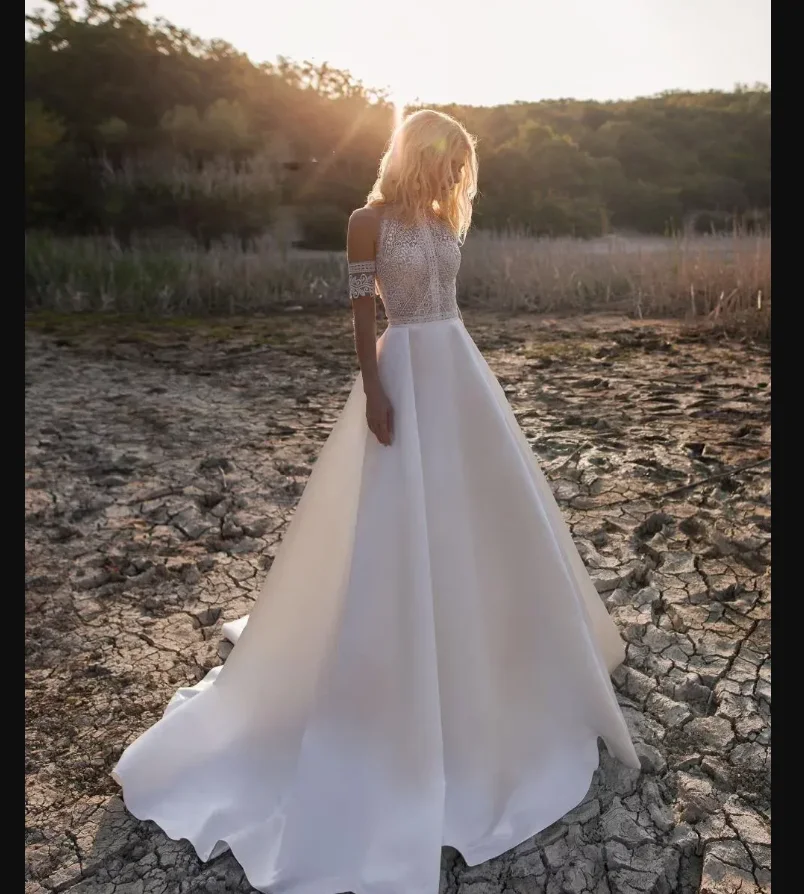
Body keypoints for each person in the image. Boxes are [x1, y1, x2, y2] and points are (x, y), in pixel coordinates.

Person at [113, 109, 640, 894]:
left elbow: (445, 298)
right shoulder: (368, 222)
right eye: (449, 159)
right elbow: (363, 314)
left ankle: (504, 654)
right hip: (405, 369)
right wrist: (374, 391)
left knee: (489, 517)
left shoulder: (441, 218)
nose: (456, 173)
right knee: (399, 523)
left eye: (461, 163)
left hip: (459, 368)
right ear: (415, 153)